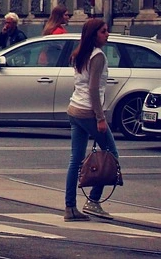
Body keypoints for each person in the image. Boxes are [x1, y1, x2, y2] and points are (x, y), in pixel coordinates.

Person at [64, 18, 117, 221]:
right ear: (94, 34)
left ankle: (70, 208)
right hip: (88, 113)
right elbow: (93, 89)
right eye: (103, 31)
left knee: (75, 160)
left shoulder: (79, 54)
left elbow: (78, 85)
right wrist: (100, 118)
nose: (107, 34)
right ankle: (93, 201)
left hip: (74, 110)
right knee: (111, 155)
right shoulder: (98, 56)